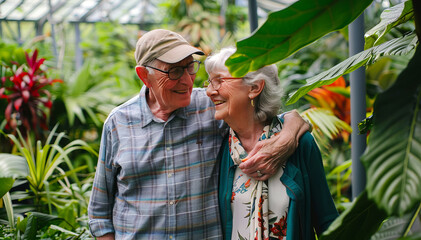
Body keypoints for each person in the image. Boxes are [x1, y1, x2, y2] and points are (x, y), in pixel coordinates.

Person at [88, 29, 310, 240]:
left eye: (190, 67)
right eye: (174, 71)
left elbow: (270, 119)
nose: (186, 80)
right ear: (144, 75)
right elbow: (99, 213)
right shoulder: (118, 123)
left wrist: (289, 134)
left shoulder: (211, 106)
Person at [204, 47, 339, 240]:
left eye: (219, 80)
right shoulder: (218, 145)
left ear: (254, 88)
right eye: (209, 82)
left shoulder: (300, 144)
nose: (209, 91)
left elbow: (327, 221)